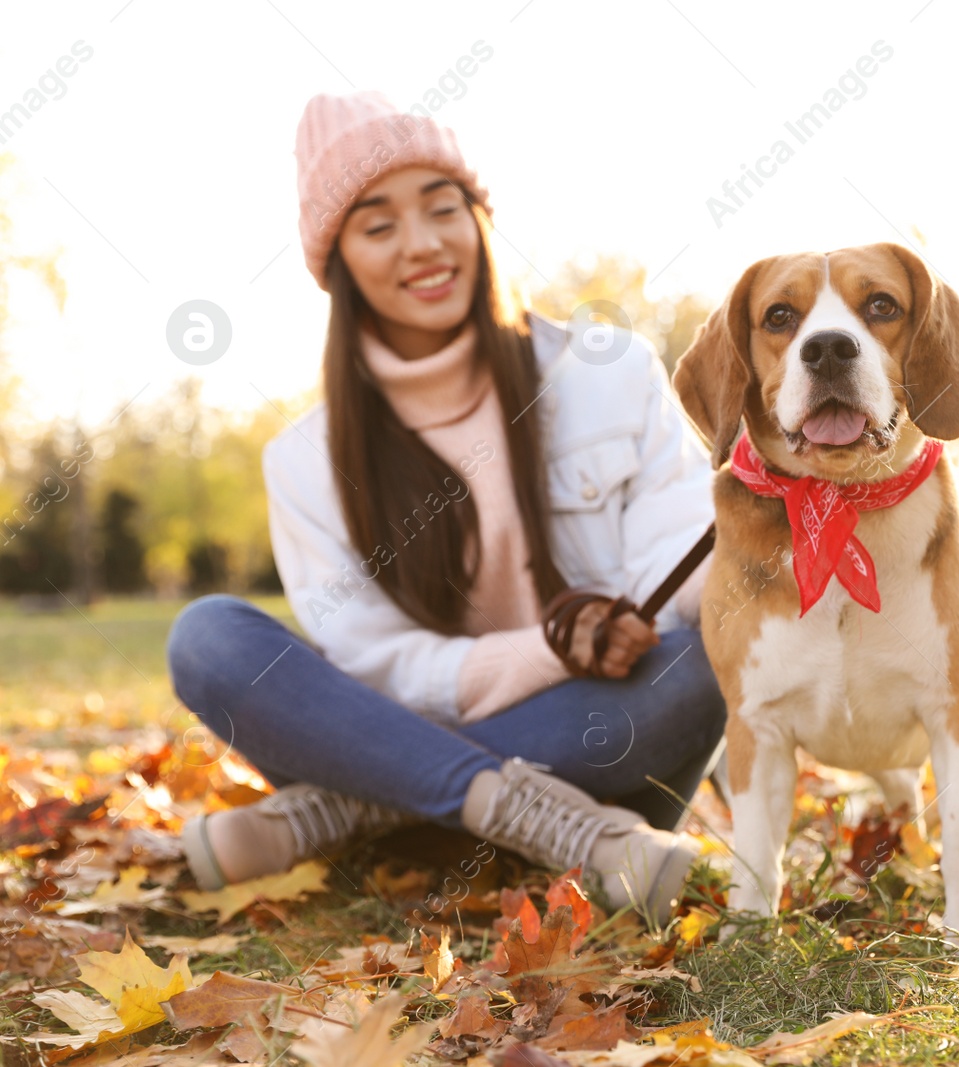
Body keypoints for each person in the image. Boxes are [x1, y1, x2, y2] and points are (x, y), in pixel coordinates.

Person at [164, 90, 726, 925]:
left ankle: (351, 812)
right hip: (438, 734)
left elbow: (679, 558)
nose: (423, 245)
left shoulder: (607, 373)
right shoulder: (307, 460)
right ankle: (563, 831)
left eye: (442, 208)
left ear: (478, 219)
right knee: (208, 636)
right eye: (379, 224)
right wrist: (539, 650)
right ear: (340, 260)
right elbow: (375, 662)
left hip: (590, 726)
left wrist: (756, 554)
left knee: (708, 663)